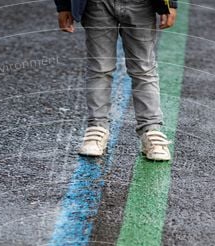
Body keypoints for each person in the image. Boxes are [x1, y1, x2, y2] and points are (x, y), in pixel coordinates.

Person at [54, 0, 177, 161]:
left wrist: (171, 3)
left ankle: (151, 130)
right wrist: (64, 5)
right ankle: (97, 129)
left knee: (143, 69)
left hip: (141, 4)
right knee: (99, 68)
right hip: (96, 4)